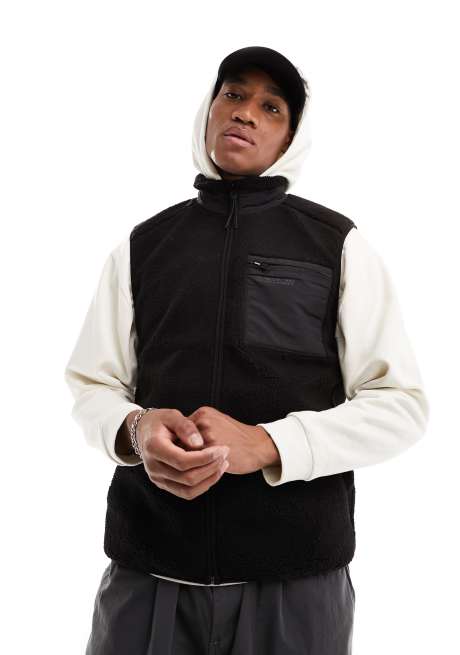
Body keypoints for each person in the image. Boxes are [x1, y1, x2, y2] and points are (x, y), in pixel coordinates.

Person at [64, 46, 429, 655]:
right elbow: (92, 385)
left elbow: (400, 405)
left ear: (291, 138)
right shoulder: (142, 246)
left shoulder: (337, 244)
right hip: (147, 574)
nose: (246, 113)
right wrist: (135, 428)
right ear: (208, 110)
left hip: (295, 585)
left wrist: (267, 444)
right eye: (233, 94)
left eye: (272, 107)